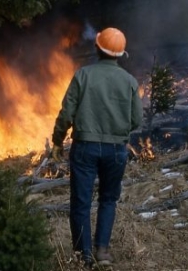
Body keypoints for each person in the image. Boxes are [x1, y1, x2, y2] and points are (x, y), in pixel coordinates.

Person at [51, 27, 143, 267]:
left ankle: (84, 256)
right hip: (115, 150)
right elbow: (136, 121)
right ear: (121, 54)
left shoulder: (83, 75)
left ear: (97, 48)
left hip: (85, 148)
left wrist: (57, 141)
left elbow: (66, 113)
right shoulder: (130, 81)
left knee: (81, 201)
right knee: (108, 200)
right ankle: (102, 251)